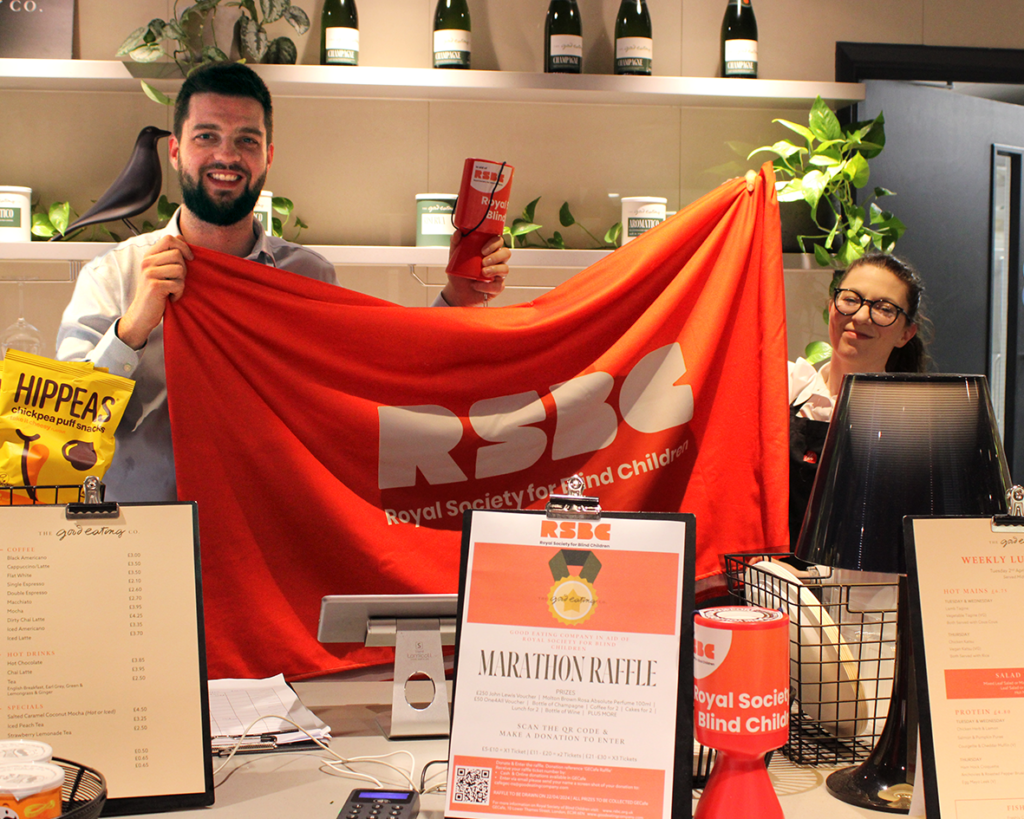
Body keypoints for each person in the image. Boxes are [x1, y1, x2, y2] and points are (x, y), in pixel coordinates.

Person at [56, 62, 510, 503]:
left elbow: (377, 386)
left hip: (270, 552)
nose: (227, 156)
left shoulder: (308, 276)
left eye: (246, 140)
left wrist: (457, 301)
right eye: (206, 137)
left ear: (268, 155)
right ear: (175, 150)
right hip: (147, 556)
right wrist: (132, 328)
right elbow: (61, 429)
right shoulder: (112, 275)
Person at [787, 252, 929, 546]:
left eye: (884, 308)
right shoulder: (786, 388)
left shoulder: (916, 426)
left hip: (869, 588)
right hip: (774, 584)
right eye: (851, 299)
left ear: (906, 333)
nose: (861, 316)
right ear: (832, 306)